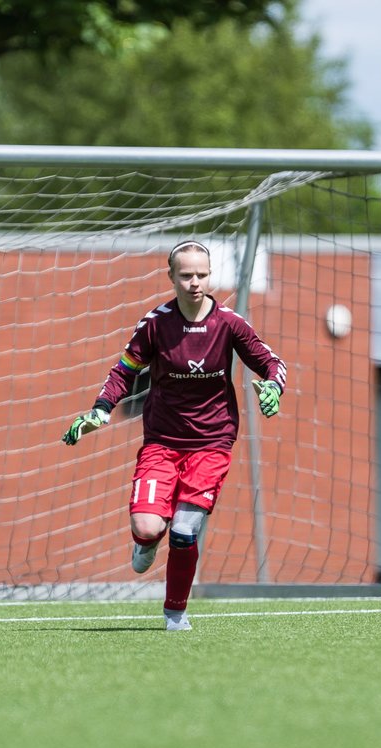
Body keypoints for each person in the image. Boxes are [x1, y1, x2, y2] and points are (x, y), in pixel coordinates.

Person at [62, 239, 287, 631]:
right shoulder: (155, 325)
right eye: (186, 275)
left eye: (201, 274)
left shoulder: (229, 324)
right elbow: (123, 371)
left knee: (184, 529)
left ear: (209, 275)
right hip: (162, 444)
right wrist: (101, 409)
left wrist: (273, 387)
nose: (195, 282)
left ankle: (175, 614)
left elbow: (271, 363)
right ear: (171, 277)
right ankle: (145, 543)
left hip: (212, 443)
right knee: (149, 527)